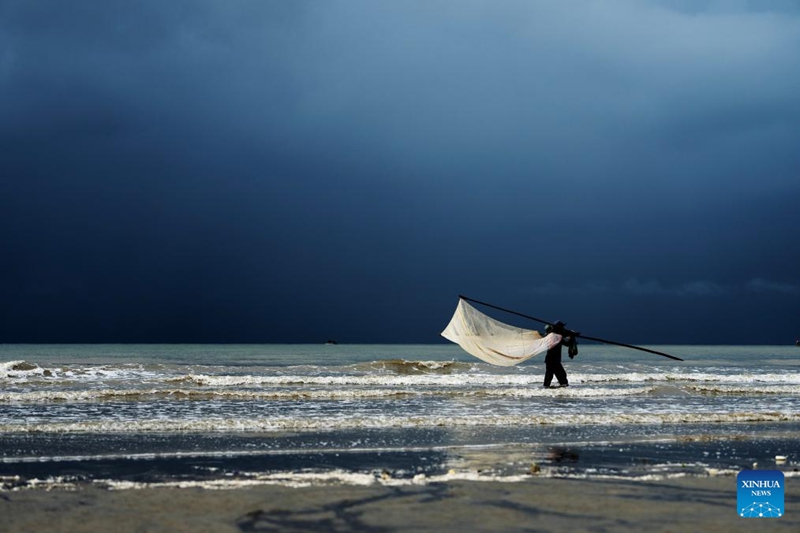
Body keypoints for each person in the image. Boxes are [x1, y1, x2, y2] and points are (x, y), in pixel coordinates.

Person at [543, 321, 578, 388]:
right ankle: (559, 390)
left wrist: (571, 335)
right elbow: (567, 343)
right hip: (553, 360)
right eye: (562, 327)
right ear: (558, 328)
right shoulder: (555, 336)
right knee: (560, 376)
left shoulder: (556, 335)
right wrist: (571, 336)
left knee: (551, 375)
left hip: (552, 360)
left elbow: (566, 342)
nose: (563, 328)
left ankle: (547, 390)